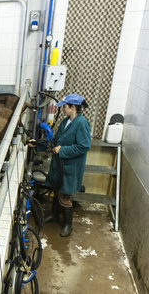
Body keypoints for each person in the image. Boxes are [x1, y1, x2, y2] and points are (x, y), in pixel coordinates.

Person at [29, 93, 91, 237]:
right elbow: (55, 140)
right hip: (59, 164)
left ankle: (68, 225)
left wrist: (62, 150)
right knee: (56, 190)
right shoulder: (65, 121)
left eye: (64, 107)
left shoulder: (81, 123)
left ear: (73, 107)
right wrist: (37, 143)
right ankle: (55, 216)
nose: (61, 109)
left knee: (65, 195)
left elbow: (84, 146)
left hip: (70, 166)